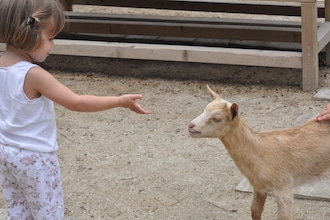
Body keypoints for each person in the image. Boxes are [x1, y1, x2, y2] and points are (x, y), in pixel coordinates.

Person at [0, 0, 150, 219]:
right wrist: (119, 101)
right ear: (28, 34)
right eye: (50, 38)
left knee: (19, 209)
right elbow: (76, 102)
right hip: (35, 157)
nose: (53, 45)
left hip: (5, 152)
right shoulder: (33, 75)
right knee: (48, 211)